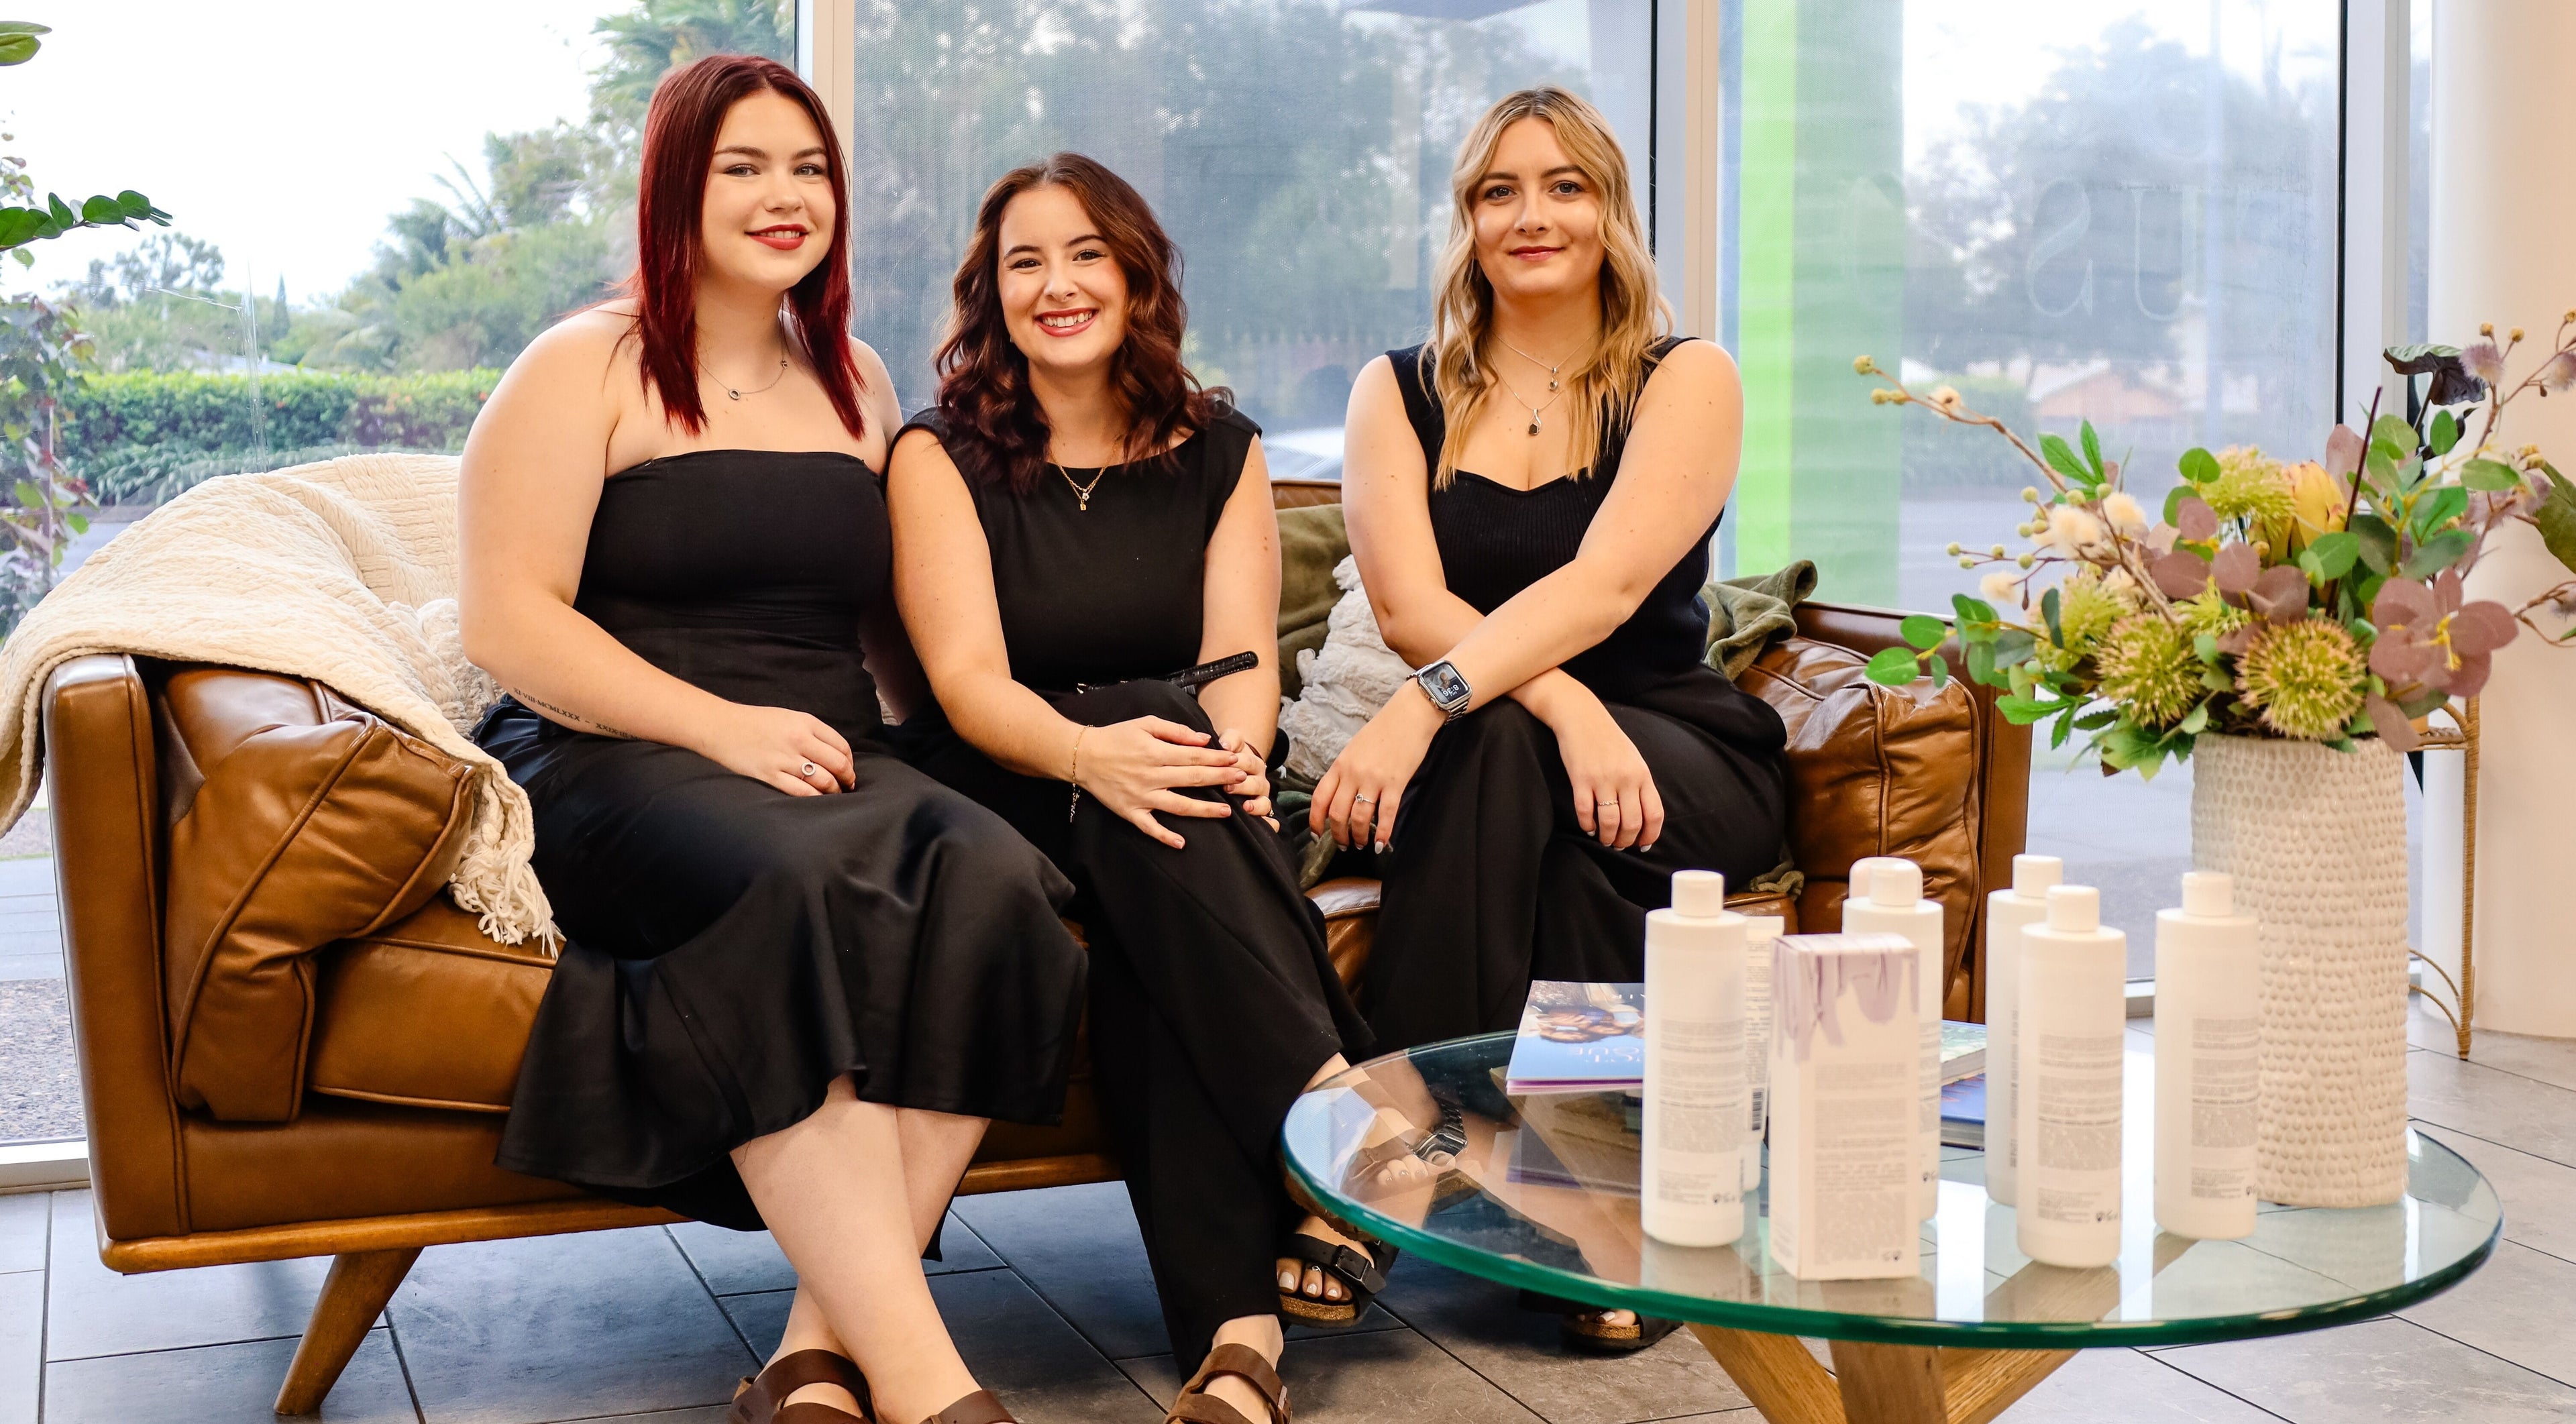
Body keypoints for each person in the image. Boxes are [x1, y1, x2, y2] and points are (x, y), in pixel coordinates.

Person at [458, 55, 1077, 1424]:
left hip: (820, 751)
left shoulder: (851, 375)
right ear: (677, 186)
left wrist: (983, 753)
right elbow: (507, 620)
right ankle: (930, 1391)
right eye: (744, 166)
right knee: (800, 887)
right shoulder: (585, 364)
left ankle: (811, 1356)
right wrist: (719, 731)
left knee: (1002, 885)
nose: (785, 196)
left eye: (808, 169)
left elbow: (879, 633)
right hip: (622, 749)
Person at [887, 153, 1414, 1424]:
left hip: (1167, 788)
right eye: (1025, 261)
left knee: (1156, 899)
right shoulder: (936, 455)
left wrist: (1237, 750)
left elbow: (1237, 668)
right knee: (1149, 746)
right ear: (991, 292)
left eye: (1085, 254)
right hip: (1004, 778)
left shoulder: (1217, 448)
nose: (1058, 284)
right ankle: (1339, 1109)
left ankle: (1241, 1346)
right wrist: (1101, 751)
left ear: (1136, 275)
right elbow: (966, 685)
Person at [1316, 86, 1792, 1353]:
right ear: (1467, 221)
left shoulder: (1686, 378)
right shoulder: (1397, 392)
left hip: (1681, 752)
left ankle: (1402, 1126)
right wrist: (1563, 704)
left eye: (1565, 185)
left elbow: (1611, 585)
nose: (1534, 215)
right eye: (1498, 190)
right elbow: (1415, 606)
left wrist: (1443, 709)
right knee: (1554, 831)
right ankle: (1586, 1227)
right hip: (1525, 747)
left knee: (1500, 748)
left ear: (1611, 210)